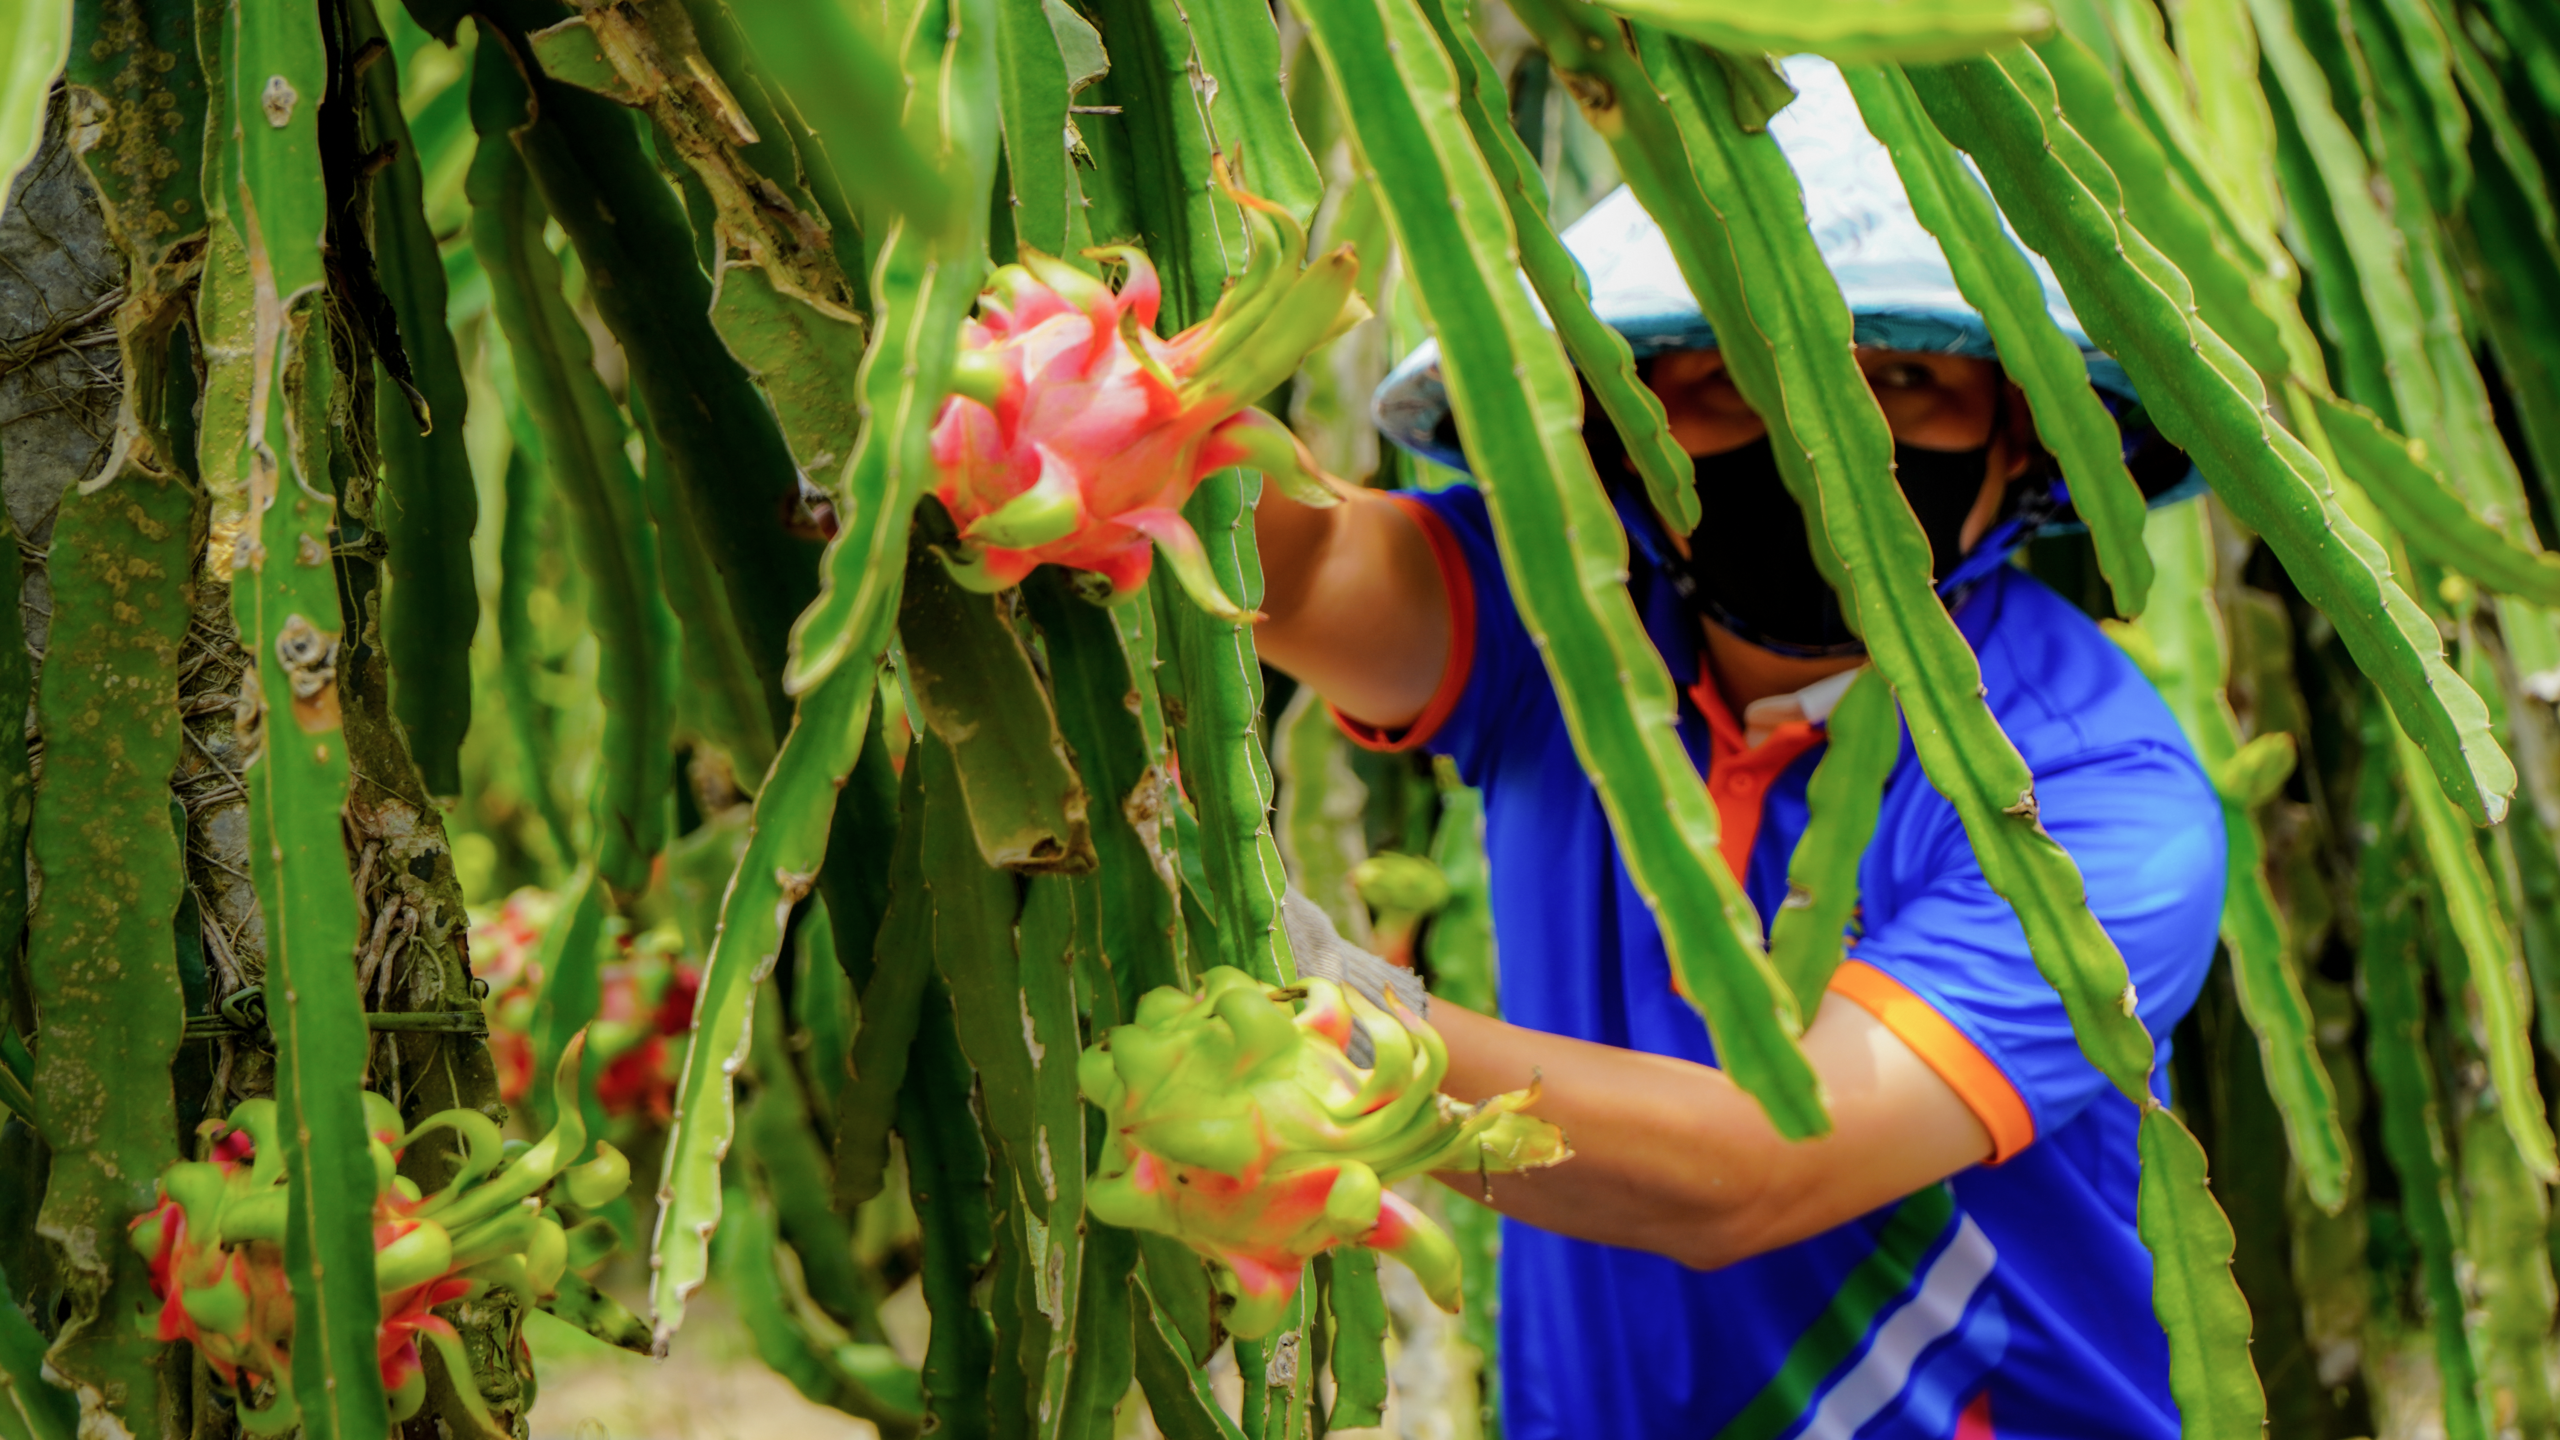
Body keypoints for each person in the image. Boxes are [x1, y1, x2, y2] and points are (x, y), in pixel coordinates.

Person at [1252, 59, 2227, 1440]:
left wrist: (1324, 1019)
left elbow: (1759, 1170)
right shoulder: (1567, 626)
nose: (1824, 442)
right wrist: (1088, 411)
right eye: (1729, 380)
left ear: (2022, 440)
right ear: (1618, 430)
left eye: (1904, 381)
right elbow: (1289, 564)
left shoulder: (2096, 805)